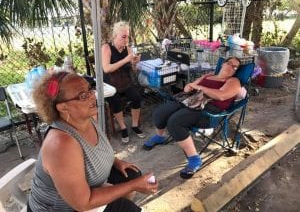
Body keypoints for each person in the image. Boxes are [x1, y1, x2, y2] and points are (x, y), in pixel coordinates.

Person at [28, 71, 158, 212]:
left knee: (131, 174)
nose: (92, 96)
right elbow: (83, 203)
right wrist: (134, 186)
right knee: (128, 204)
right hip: (62, 208)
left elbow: (91, 152)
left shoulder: (86, 118)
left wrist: (114, 161)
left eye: (90, 89)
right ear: (63, 107)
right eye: (83, 95)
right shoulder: (61, 144)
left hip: (87, 189)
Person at [143, 57, 242, 179]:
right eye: (229, 63)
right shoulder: (209, 75)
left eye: (235, 67)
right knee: (160, 113)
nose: (231, 67)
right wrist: (190, 87)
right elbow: (190, 86)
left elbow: (221, 96)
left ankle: (195, 159)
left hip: (208, 111)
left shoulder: (233, 81)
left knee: (174, 122)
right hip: (190, 101)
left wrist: (200, 88)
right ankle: (159, 137)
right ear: (222, 64)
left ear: (236, 71)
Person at [102, 21, 144, 143]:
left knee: (136, 97)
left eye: (127, 36)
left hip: (125, 82)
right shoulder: (106, 48)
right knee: (115, 101)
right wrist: (125, 60)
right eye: (124, 37)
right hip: (110, 83)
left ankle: (135, 125)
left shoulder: (129, 49)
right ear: (115, 36)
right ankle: (123, 127)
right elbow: (106, 68)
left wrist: (135, 64)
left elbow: (133, 71)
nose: (126, 40)